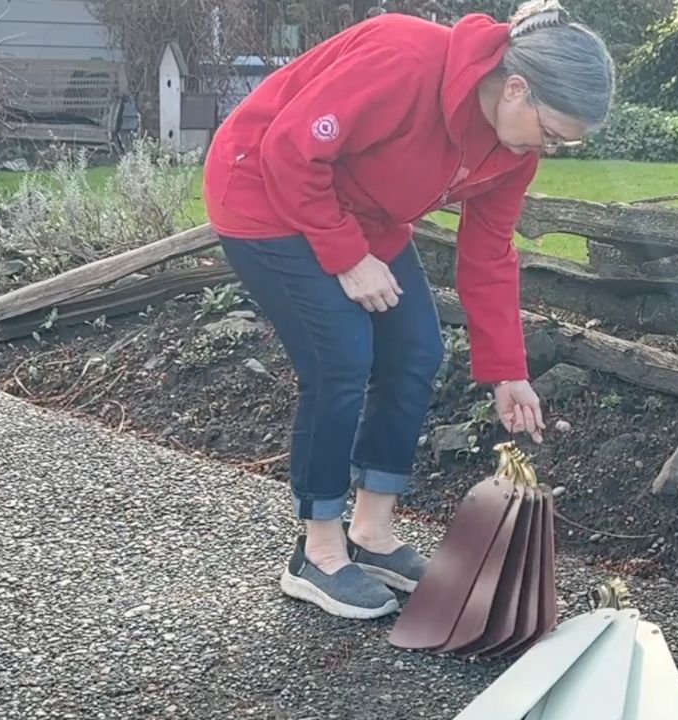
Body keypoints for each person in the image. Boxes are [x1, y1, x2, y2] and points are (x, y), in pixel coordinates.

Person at [200, 0, 615, 620]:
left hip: (359, 212)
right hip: (260, 190)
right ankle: (317, 552)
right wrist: (346, 256)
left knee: (418, 348)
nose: (550, 149)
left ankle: (371, 535)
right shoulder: (403, 59)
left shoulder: (513, 150)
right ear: (517, 88)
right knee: (342, 355)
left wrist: (507, 369)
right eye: (552, 132)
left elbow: (488, 253)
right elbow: (288, 149)